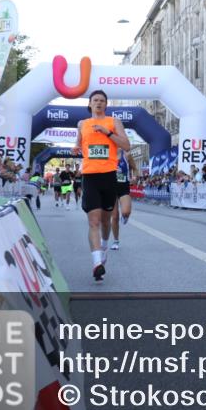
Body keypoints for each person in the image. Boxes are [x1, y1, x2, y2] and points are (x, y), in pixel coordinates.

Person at [72, 89, 130, 282]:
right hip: (89, 176)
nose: (98, 103)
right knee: (93, 221)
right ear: (89, 104)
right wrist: (75, 148)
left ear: (106, 105)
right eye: (95, 100)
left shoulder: (114, 122)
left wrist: (108, 132)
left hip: (108, 176)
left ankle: (104, 246)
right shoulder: (82, 124)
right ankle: (97, 263)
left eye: (102, 100)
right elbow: (78, 144)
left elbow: (126, 145)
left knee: (106, 221)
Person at [106, 148, 137, 251]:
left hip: (124, 187)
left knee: (126, 211)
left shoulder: (126, 155)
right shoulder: (107, 154)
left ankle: (125, 216)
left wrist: (134, 178)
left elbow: (135, 169)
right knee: (114, 217)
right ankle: (116, 241)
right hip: (111, 189)